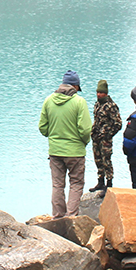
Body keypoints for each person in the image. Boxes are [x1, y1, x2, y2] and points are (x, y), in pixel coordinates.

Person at [38, 70, 92, 218]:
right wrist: (83, 142)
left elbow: (42, 127)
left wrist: (54, 136)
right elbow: (86, 129)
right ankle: (71, 217)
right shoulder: (79, 102)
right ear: (75, 86)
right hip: (75, 152)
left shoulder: (48, 100)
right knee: (76, 184)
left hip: (55, 151)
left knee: (57, 185)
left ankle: (57, 217)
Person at [90, 79, 122, 193]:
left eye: (101, 92)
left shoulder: (111, 106)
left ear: (106, 93)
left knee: (106, 161)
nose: (99, 94)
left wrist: (108, 135)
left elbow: (118, 124)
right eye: (97, 92)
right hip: (96, 138)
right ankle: (100, 182)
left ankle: (109, 184)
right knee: (98, 160)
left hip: (105, 140)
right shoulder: (97, 104)